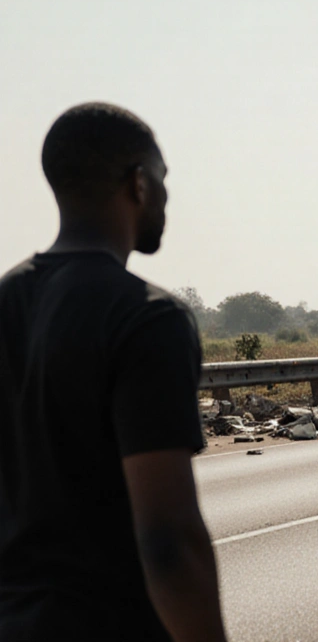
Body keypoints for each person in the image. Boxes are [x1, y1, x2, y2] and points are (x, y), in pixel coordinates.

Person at [0, 103, 227, 641]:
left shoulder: (6, 301)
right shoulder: (146, 317)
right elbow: (168, 541)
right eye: (164, 180)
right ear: (140, 184)